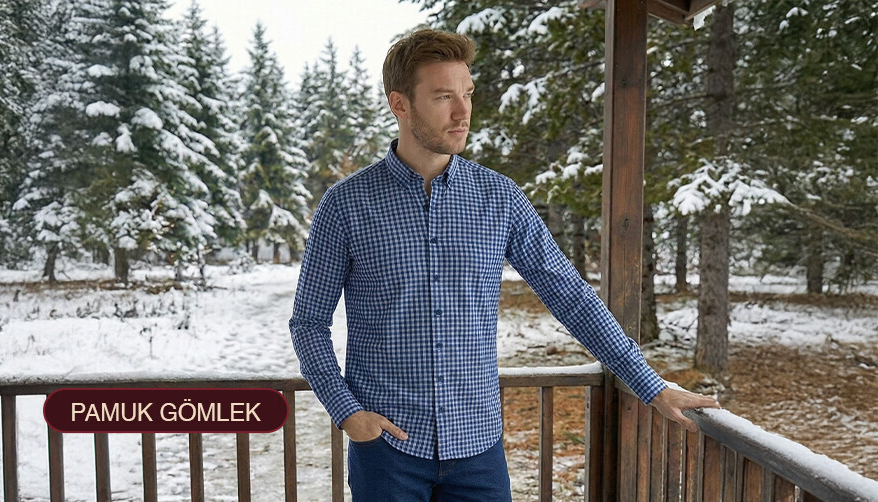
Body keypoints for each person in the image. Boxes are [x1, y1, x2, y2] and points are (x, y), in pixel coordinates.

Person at [289, 28, 719, 502]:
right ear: (400, 105)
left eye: (468, 93)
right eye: (443, 97)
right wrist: (348, 412)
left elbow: (572, 298)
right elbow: (308, 323)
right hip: (387, 452)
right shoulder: (346, 205)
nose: (463, 112)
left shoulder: (500, 198)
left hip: (478, 452)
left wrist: (651, 386)